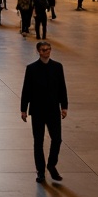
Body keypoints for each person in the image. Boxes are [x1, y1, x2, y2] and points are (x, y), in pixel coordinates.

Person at [20, 40, 68, 184]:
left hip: (53, 110)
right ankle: (40, 171)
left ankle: (51, 165)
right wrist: (23, 109)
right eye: (44, 50)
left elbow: (62, 88)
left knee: (57, 139)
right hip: (38, 111)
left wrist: (64, 107)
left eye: (48, 49)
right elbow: (26, 90)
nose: (47, 52)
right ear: (39, 51)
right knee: (38, 141)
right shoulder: (31, 69)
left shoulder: (57, 67)